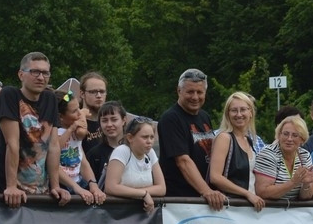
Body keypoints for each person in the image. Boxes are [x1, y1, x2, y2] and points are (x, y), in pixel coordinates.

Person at [0, 52, 69, 207]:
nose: (41, 77)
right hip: (12, 195)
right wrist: (11, 187)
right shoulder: (9, 95)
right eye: (35, 72)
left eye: (45, 73)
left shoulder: (50, 99)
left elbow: (54, 146)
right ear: (21, 75)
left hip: (43, 195)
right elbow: (12, 143)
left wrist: (56, 186)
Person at [157, 68, 225, 209]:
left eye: (199, 92)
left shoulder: (204, 116)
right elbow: (183, 161)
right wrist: (206, 191)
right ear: (179, 91)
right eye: (190, 92)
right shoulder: (171, 118)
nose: (195, 97)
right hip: (181, 201)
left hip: (205, 199)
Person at [208, 91, 265, 209]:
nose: (239, 114)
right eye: (234, 110)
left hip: (249, 207)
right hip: (230, 208)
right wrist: (247, 194)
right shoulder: (224, 138)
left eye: (243, 109)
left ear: (251, 112)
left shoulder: (249, 140)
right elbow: (215, 177)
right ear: (227, 114)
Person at [252, 115, 313, 203]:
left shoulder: (304, 155)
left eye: (295, 135)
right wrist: (293, 182)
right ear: (279, 135)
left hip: (294, 213)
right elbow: (262, 192)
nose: (289, 139)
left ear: (302, 139)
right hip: (269, 211)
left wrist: (306, 184)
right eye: (285, 134)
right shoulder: (268, 154)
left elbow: (306, 197)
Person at [103, 116, 166, 214]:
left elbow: (161, 188)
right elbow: (110, 187)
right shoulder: (122, 151)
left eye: (152, 137)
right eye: (145, 137)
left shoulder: (150, 153)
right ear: (130, 138)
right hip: (117, 213)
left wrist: (136, 193)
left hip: (142, 214)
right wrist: (143, 194)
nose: (149, 141)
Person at [55, 89, 105, 205]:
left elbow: (82, 161)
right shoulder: (56, 132)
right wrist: (71, 129)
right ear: (61, 117)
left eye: (79, 108)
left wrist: (93, 184)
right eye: (74, 111)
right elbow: (55, 151)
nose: (79, 114)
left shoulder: (77, 132)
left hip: (78, 181)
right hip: (63, 185)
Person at [86, 100, 126, 183]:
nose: (109, 124)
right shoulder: (94, 155)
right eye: (104, 120)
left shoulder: (134, 150)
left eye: (114, 119)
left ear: (123, 120)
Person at [79, 71, 108, 156]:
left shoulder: (110, 123)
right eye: (93, 92)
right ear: (82, 94)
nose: (99, 95)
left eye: (102, 92)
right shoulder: (74, 122)